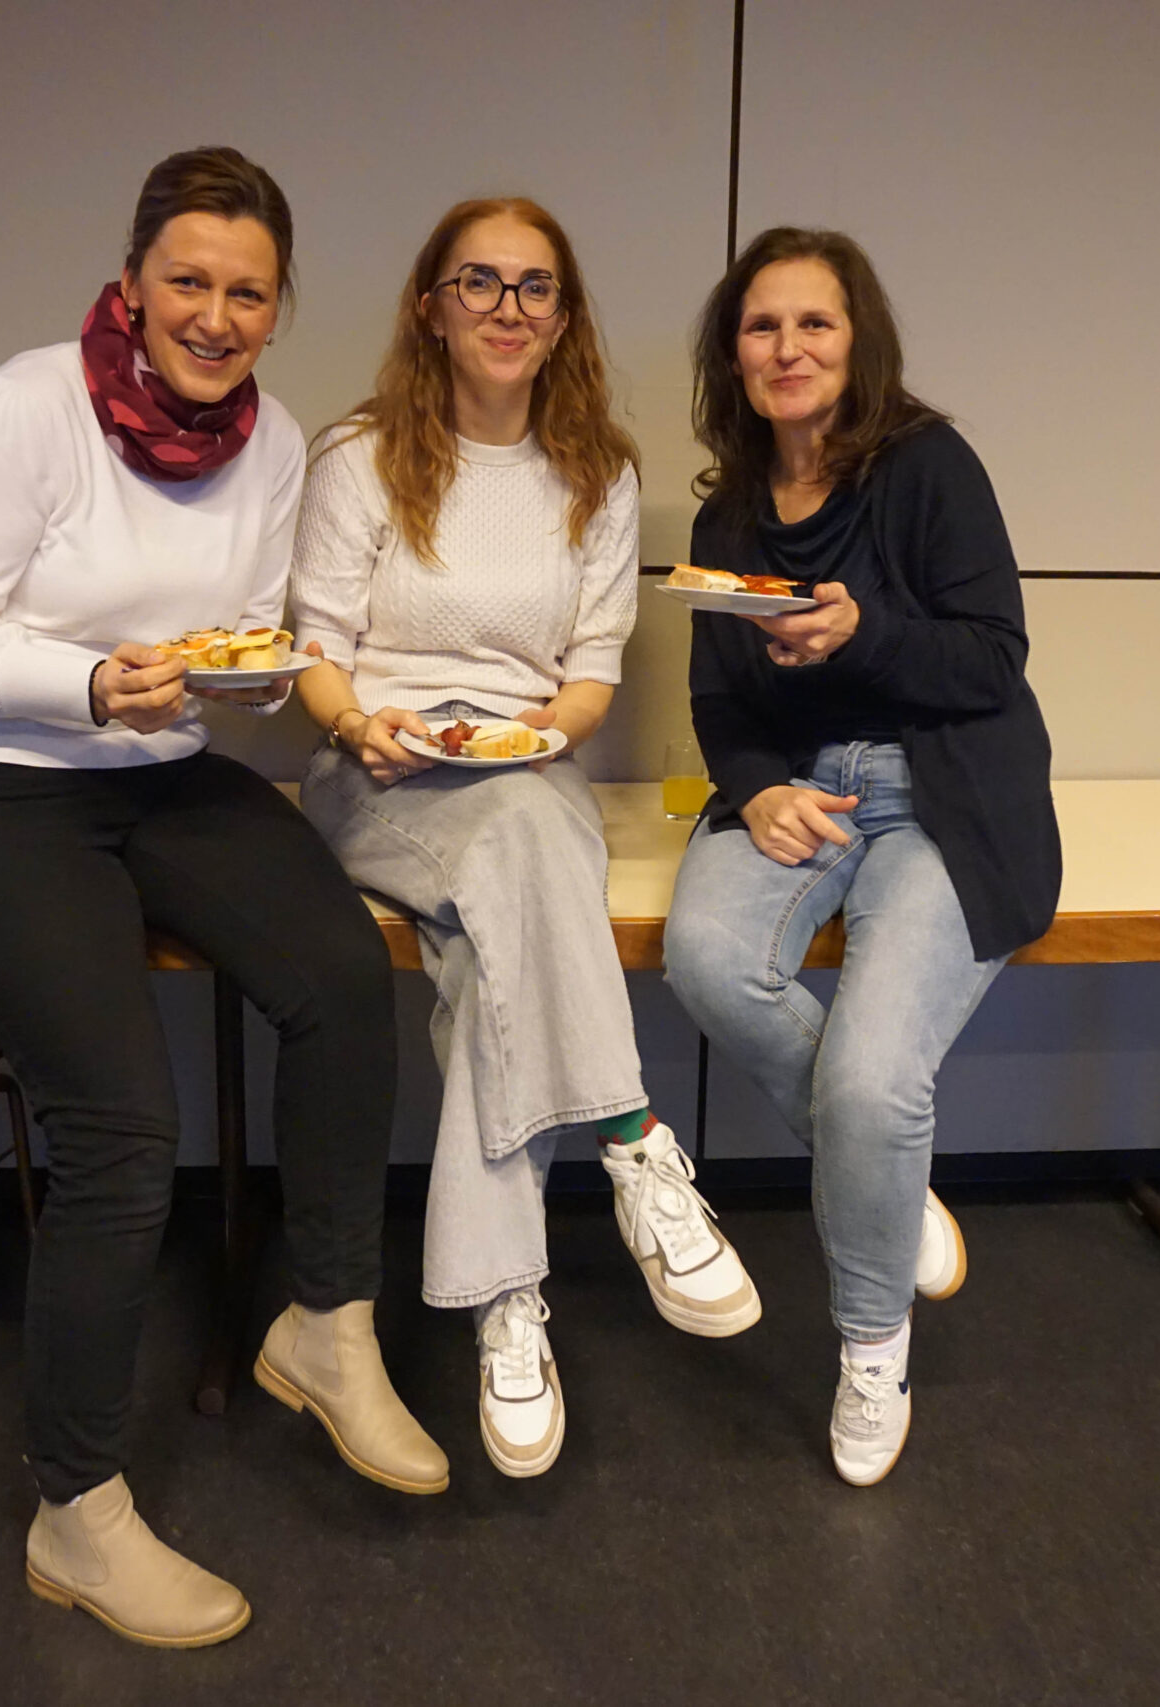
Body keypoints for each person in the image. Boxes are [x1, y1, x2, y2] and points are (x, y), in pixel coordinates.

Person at [0, 146, 446, 1650]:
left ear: (277, 307)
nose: (216, 315)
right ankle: (74, 1508)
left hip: (157, 766)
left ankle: (326, 1325)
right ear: (131, 284)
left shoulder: (271, 445)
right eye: (188, 280)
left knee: (344, 976)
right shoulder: (22, 408)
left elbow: (237, 640)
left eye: (248, 292)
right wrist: (83, 682)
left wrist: (252, 680)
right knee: (123, 1125)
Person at [291, 197, 760, 1480]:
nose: (507, 308)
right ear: (430, 306)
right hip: (376, 775)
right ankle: (632, 1139)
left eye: (534, 286)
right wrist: (362, 724)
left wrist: (535, 733)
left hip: (526, 777)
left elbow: (590, 676)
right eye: (479, 282)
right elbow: (315, 654)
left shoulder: (597, 472)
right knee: (524, 857)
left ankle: (507, 1297)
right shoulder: (359, 458)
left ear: (563, 318)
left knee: (485, 957)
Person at [660, 227, 1061, 1487]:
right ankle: (880, 1170)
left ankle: (871, 1348)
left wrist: (863, 634)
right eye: (761, 325)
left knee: (875, 1081)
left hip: (943, 793)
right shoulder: (728, 509)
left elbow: (993, 657)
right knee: (704, 957)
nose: (787, 347)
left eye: (813, 323)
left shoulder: (928, 466)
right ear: (733, 352)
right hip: (802, 793)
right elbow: (718, 703)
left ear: (856, 339)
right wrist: (755, 788)